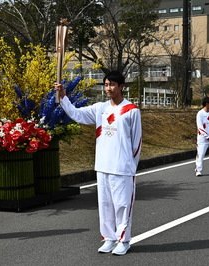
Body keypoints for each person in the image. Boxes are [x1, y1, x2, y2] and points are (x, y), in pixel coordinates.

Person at [55, 70, 142, 256]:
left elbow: (137, 142)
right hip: (102, 165)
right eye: (106, 85)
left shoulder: (132, 111)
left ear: (121, 87)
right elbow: (77, 114)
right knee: (105, 205)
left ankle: (123, 240)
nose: (108, 88)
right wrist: (63, 97)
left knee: (122, 205)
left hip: (122, 167)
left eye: (112, 85)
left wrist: (131, 166)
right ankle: (109, 238)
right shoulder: (100, 108)